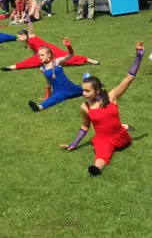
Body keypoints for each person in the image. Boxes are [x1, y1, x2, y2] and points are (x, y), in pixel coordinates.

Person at [61, 43, 143, 176]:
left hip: (120, 135)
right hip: (103, 139)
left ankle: (124, 126)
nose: (83, 93)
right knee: (102, 156)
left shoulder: (111, 97)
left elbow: (129, 78)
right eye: (83, 90)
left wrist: (139, 56)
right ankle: (96, 168)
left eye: (87, 91)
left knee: (121, 137)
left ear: (97, 90)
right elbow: (85, 126)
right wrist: (74, 144)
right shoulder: (85, 107)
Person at [1, 22, 99, 71]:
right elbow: (35, 51)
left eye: (19, 37)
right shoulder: (27, 42)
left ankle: (91, 60)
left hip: (52, 51)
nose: (18, 39)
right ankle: (11, 67)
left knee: (70, 59)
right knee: (29, 61)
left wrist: (28, 21)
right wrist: (36, 55)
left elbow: (30, 27)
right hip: (41, 54)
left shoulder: (30, 36)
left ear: (24, 35)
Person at [28, 38, 82, 112]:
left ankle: (96, 85)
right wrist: (47, 96)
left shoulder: (57, 62)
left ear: (49, 55)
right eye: (39, 55)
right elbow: (48, 82)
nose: (40, 57)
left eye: (42, 55)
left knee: (84, 90)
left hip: (69, 87)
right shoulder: (42, 68)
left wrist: (69, 46)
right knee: (53, 99)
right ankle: (39, 107)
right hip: (58, 91)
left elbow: (70, 55)